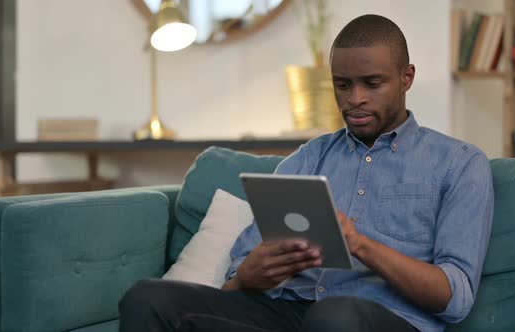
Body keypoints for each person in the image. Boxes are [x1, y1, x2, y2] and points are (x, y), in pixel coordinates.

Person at [119, 14, 494, 332]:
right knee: (147, 298)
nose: (355, 98)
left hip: (380, 319)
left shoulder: (458, 164)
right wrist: (249, 275)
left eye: (372, 83)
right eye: (342, 85)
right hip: (288, 313)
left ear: (406, 78)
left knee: (334, 316)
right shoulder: (308, 159)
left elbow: (456, 296)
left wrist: (360, 245)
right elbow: (238, 276)